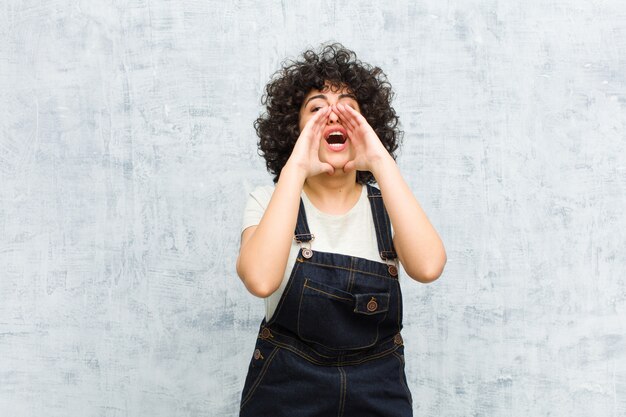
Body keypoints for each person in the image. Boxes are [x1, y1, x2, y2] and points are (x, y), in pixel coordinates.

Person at [236, 43, 446, 417]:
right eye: (316, 109)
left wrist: (379, 159)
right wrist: (295, 169)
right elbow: (259, 280)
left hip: (378, 393)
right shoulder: (270, 200)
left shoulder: (388, 206)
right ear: (293, 130)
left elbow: (429, 266)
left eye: (348, 108)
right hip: (286, 392)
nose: (333, 115)